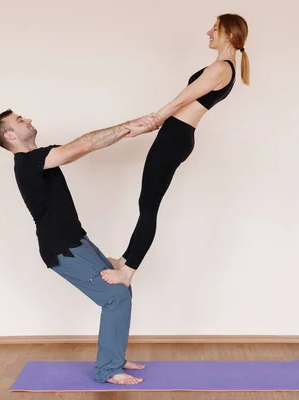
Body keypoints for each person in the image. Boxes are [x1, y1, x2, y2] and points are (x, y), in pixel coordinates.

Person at [0, 109, 158, 385]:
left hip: (78, 240)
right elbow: (85, 144)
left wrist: (130, 131)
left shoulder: (41, 156)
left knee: (122, 290)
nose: (29, 119)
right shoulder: (26, 163)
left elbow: (91, 144)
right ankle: (108, 369)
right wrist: (129, 124)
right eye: (20, 121)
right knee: (114, 296)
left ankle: (114, 356)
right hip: (61, 249)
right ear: (10, 135)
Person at [102, 13, 250, 286]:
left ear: (229, 34)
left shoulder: (221, 69)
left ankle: (128, 272)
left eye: (215, 28)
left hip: (175, 137)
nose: (209, 32)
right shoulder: (222, 67)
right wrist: (155, 125)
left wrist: (151, 120)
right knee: (146, 203)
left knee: (148, 206)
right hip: (175, 135)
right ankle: (125, 260)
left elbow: (181, 100)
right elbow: (184, 105)